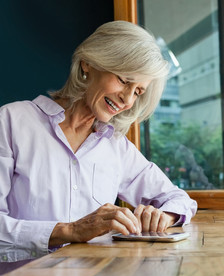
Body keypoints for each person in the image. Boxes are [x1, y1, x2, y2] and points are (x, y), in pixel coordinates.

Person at [0, 21, 197, 262]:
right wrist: (70, 231)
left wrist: (164, 216)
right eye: (124, 80)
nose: (127, 99)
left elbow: (180, 200)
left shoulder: (115, 145)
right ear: (89, 64)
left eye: (138, 92)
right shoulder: (11, 122)